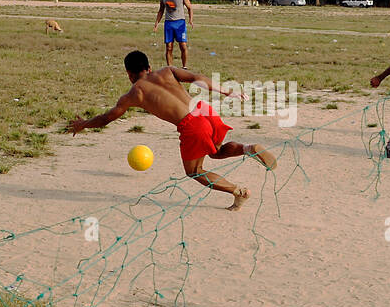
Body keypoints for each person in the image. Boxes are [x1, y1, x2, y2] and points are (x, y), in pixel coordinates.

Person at [67, 51, 277, 211]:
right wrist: (226, 91)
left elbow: (106, 118)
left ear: (129, 74)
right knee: (215, 151)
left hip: (191, 125)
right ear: (148, 67)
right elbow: (197, 77)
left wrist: (83, 124)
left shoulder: (134, 93)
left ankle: (238, 192)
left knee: (194, 171)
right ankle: (249, 148)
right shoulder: (167, 71)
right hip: (204, 111)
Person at [155, 0, 193, 68]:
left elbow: (190, 8)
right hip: (169, 23)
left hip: (180, 23)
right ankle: (170, 68)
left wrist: (190, 19)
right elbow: (161, 10)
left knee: (183, 46)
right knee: (169, 47)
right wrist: (156, 23)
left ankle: (184, 66)